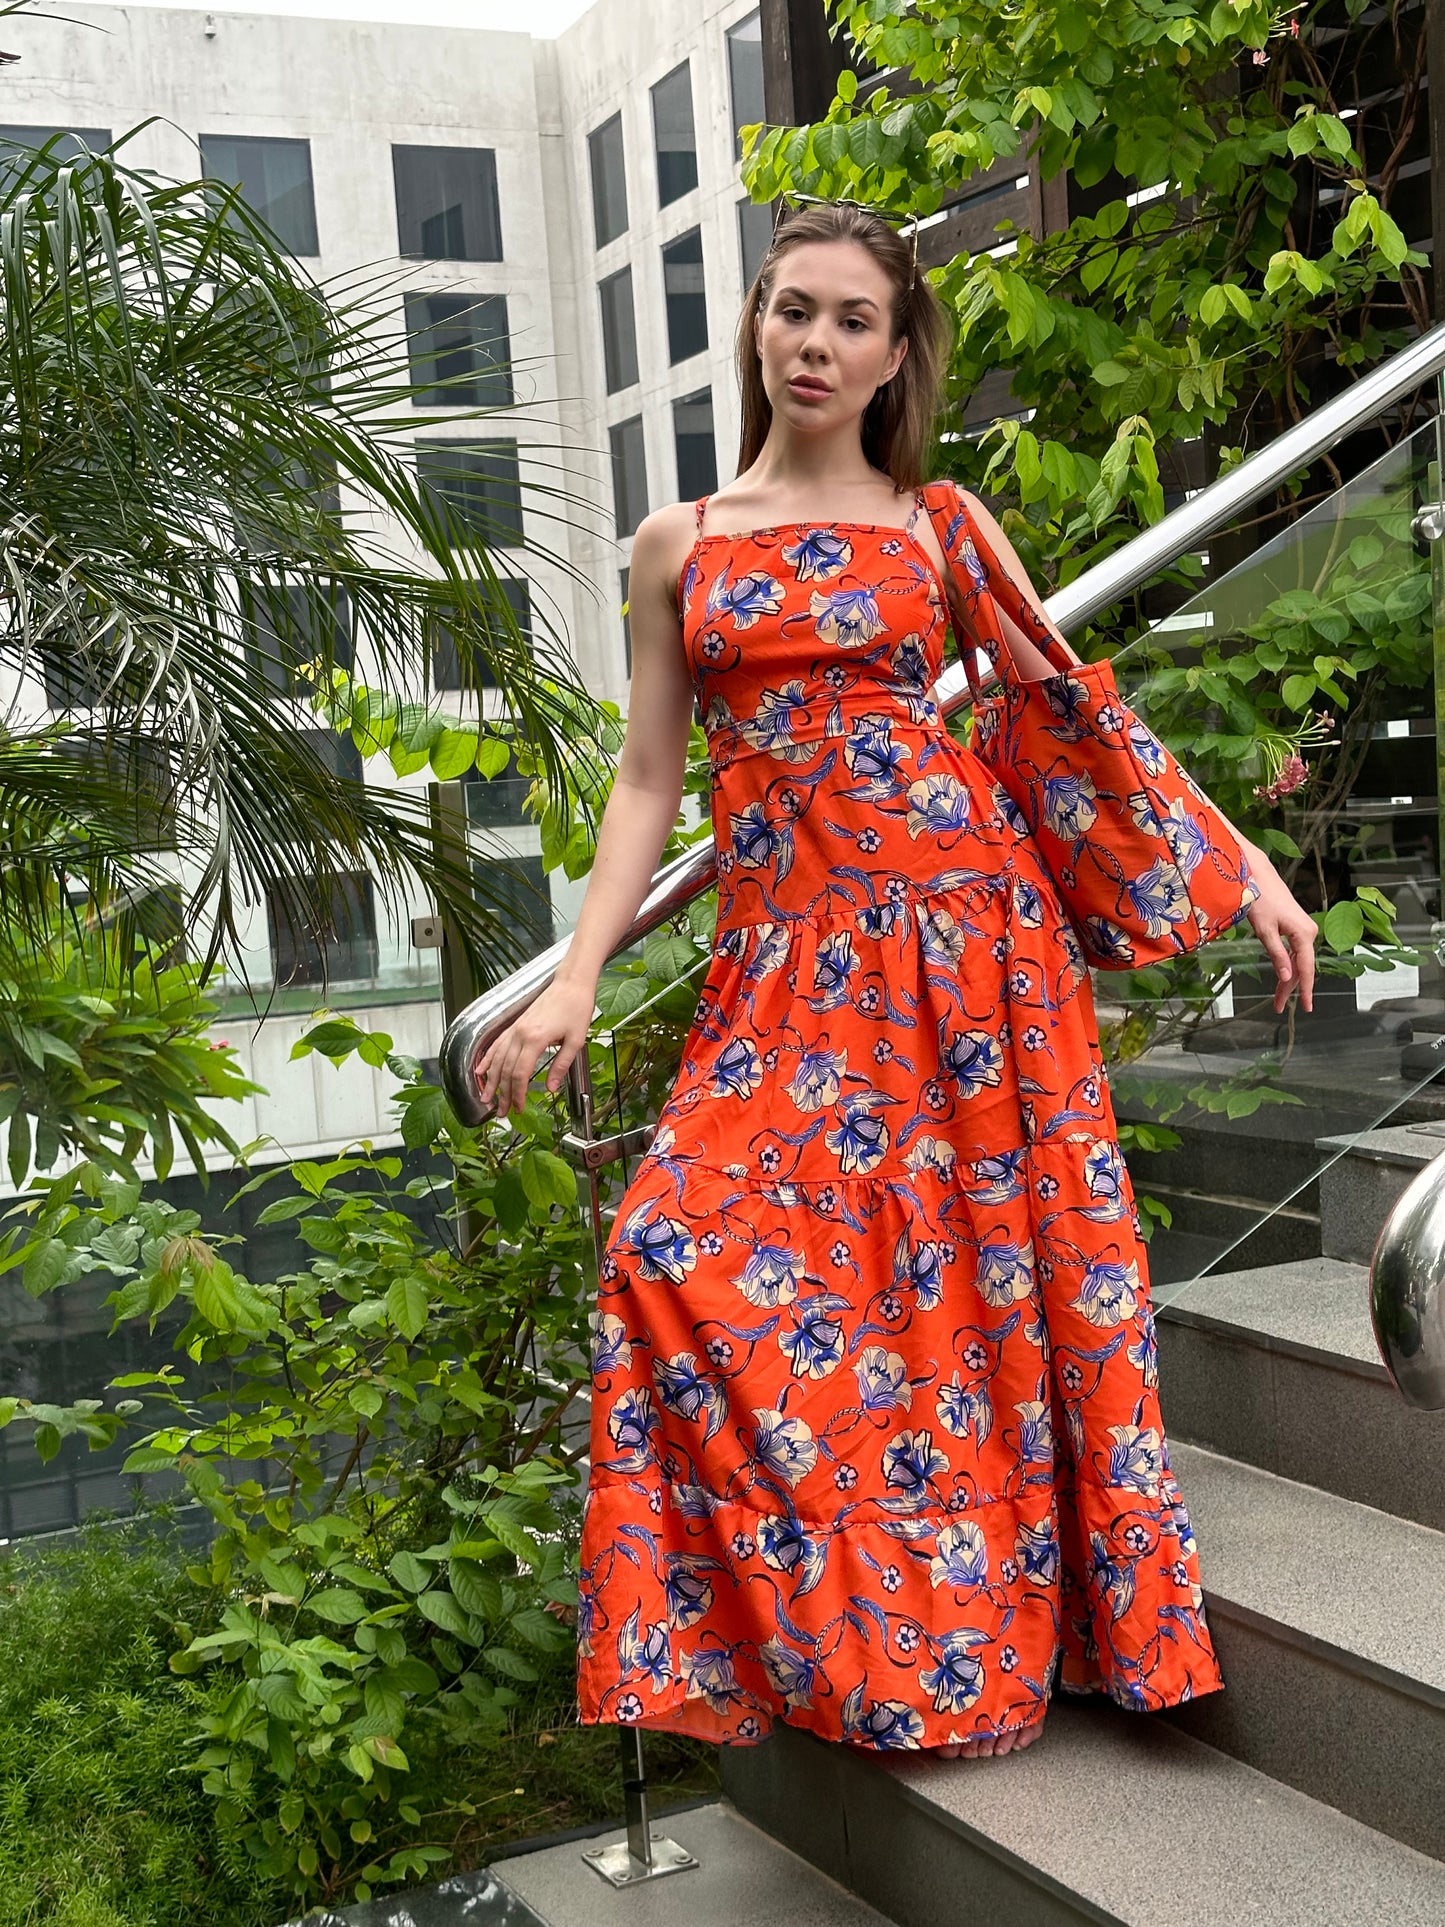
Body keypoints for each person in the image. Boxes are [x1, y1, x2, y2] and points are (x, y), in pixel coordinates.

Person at [475, 198, 1317, 1761]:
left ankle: (997, 1636)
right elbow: (649, 779)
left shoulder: (936, 523)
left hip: (965, 949)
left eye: (851, 320)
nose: (815, 342)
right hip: (780, 965)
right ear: (754, 323)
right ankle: (862, 1642)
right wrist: (574, 980)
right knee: (674, 1250)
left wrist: (1248, 867)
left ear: (891, 352)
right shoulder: (680, 543)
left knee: (983, 1292)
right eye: (793, 309)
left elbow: (1073, 712)